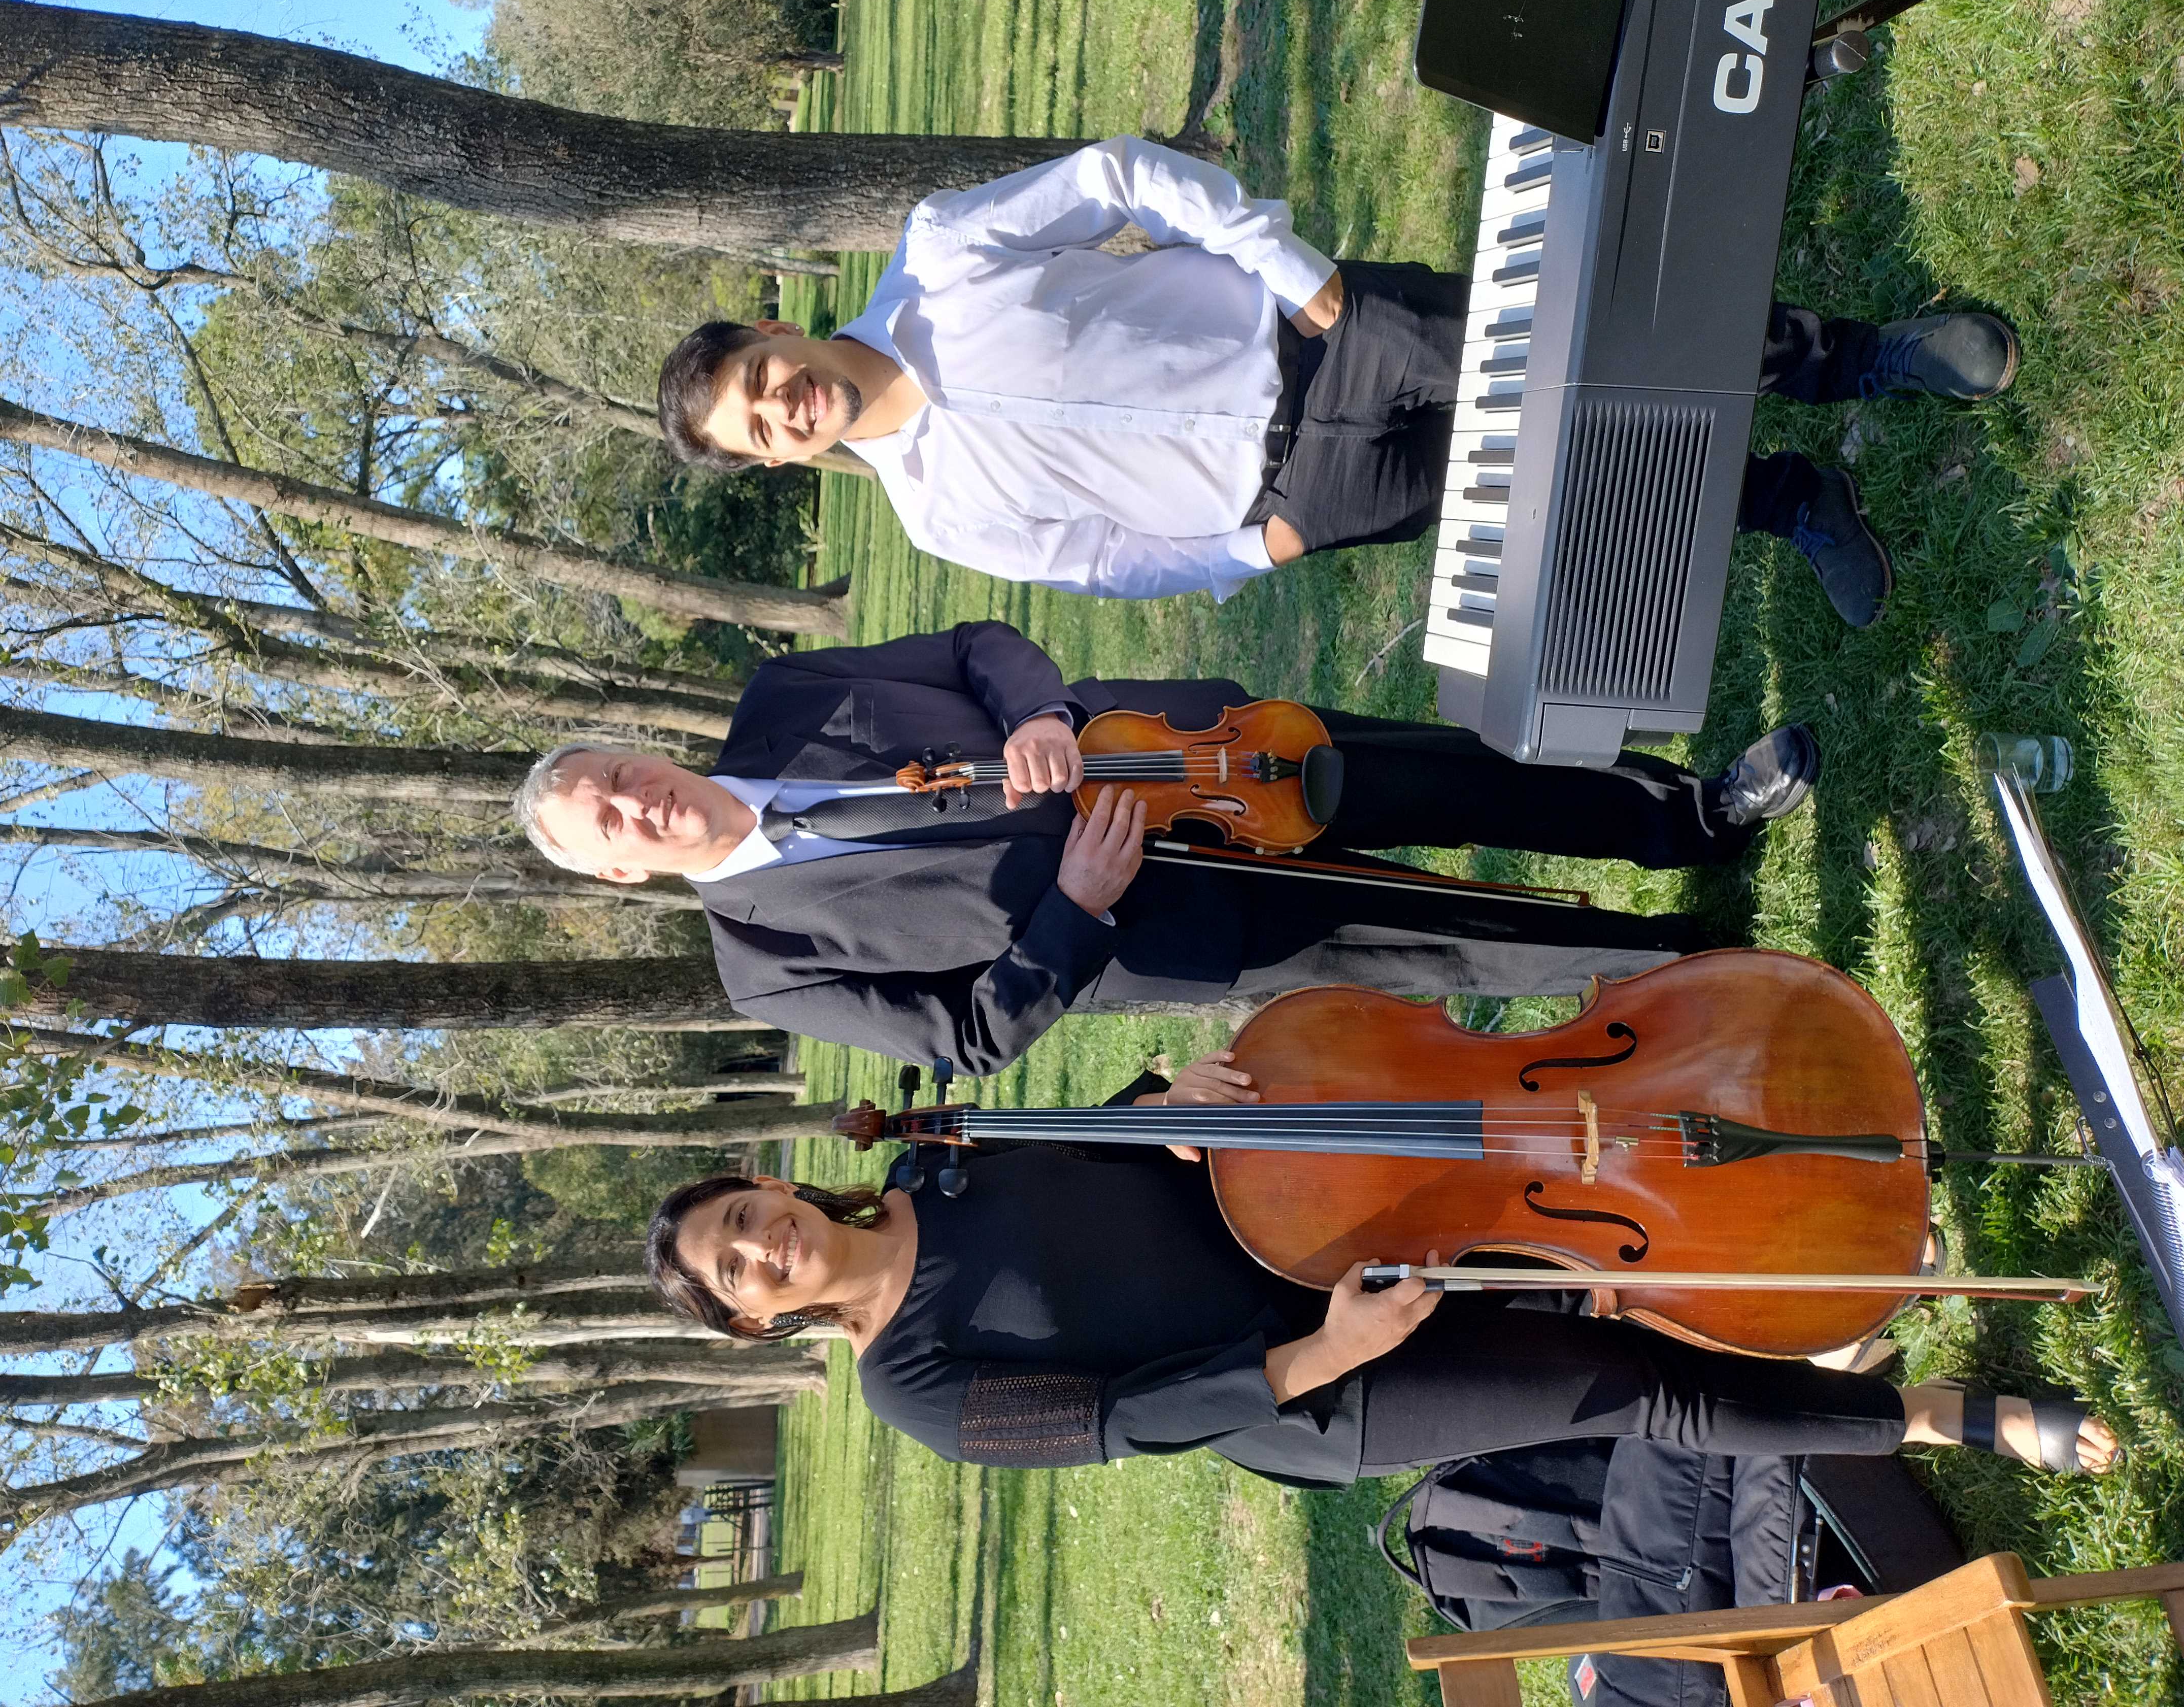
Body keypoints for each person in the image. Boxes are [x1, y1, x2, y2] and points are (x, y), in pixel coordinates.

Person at [656, 135, 2017, 627]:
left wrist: (1288, 265)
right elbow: (1100, 561)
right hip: (1304, 491)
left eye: (762, 377)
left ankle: (1865, 360)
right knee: (1564, 493)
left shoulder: (940, 253)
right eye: (761, 430)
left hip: (1317, 332)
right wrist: (1248, 552)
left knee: (1591, 355)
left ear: (775, 333)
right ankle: (1790, 502)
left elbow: (1119, 177)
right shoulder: (934, 517)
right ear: (777, 461)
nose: (783, 406)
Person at [641, 1053, 2122, 1488]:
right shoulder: (907, 1386)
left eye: (742, 1216)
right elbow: (1123, 1422)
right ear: (756, 1318)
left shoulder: (938, 1166)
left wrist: (1166, 1101)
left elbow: (1119, 1135)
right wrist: (1324, 1356)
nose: (761, 1244)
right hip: (1316, 1386)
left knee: (1592, 1246)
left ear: (775, 1185)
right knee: (1619, 1384)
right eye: (738, 1270)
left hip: (1316, 1215)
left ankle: (1828, 1267)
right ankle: (1934, 1416)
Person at [514, 621, 1818, 1074]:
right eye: (610, 825)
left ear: (640, 749)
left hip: (1176, 758)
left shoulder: (781, 696)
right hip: (1154, 921)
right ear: (620, 872)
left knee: (1448, 780)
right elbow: (965, 1037)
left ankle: (1691, 816)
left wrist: (1034, 713)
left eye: (618, 777)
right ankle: (1693, 964)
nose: (636, 804)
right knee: (1451, 943)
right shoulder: (760, 968)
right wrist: (1076, 906)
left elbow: (973, 648)